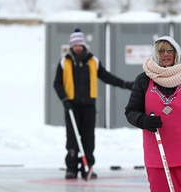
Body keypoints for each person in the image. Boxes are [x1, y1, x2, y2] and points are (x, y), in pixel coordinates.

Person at [125, 36, 181, 191]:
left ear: (176, 53)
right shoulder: (143, 80)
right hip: (157, 155)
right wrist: (143, 120)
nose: (165, 54)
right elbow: (131, 111)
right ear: (155, 54)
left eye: (170, 51)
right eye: (161, 51)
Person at [53, 28, 134, 179]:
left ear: (84, 45)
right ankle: (71, 168)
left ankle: (87, 167)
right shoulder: (64, 62)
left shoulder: (93, 61)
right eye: (75, 45)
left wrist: (125, 84)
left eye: (80, 44)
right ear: (71, 46)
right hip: (71, 106)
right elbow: (57, 84)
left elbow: (106, 77)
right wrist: (65, 100)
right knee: (72, 137)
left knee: (88, 137)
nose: (78, 47)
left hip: (89, 106)